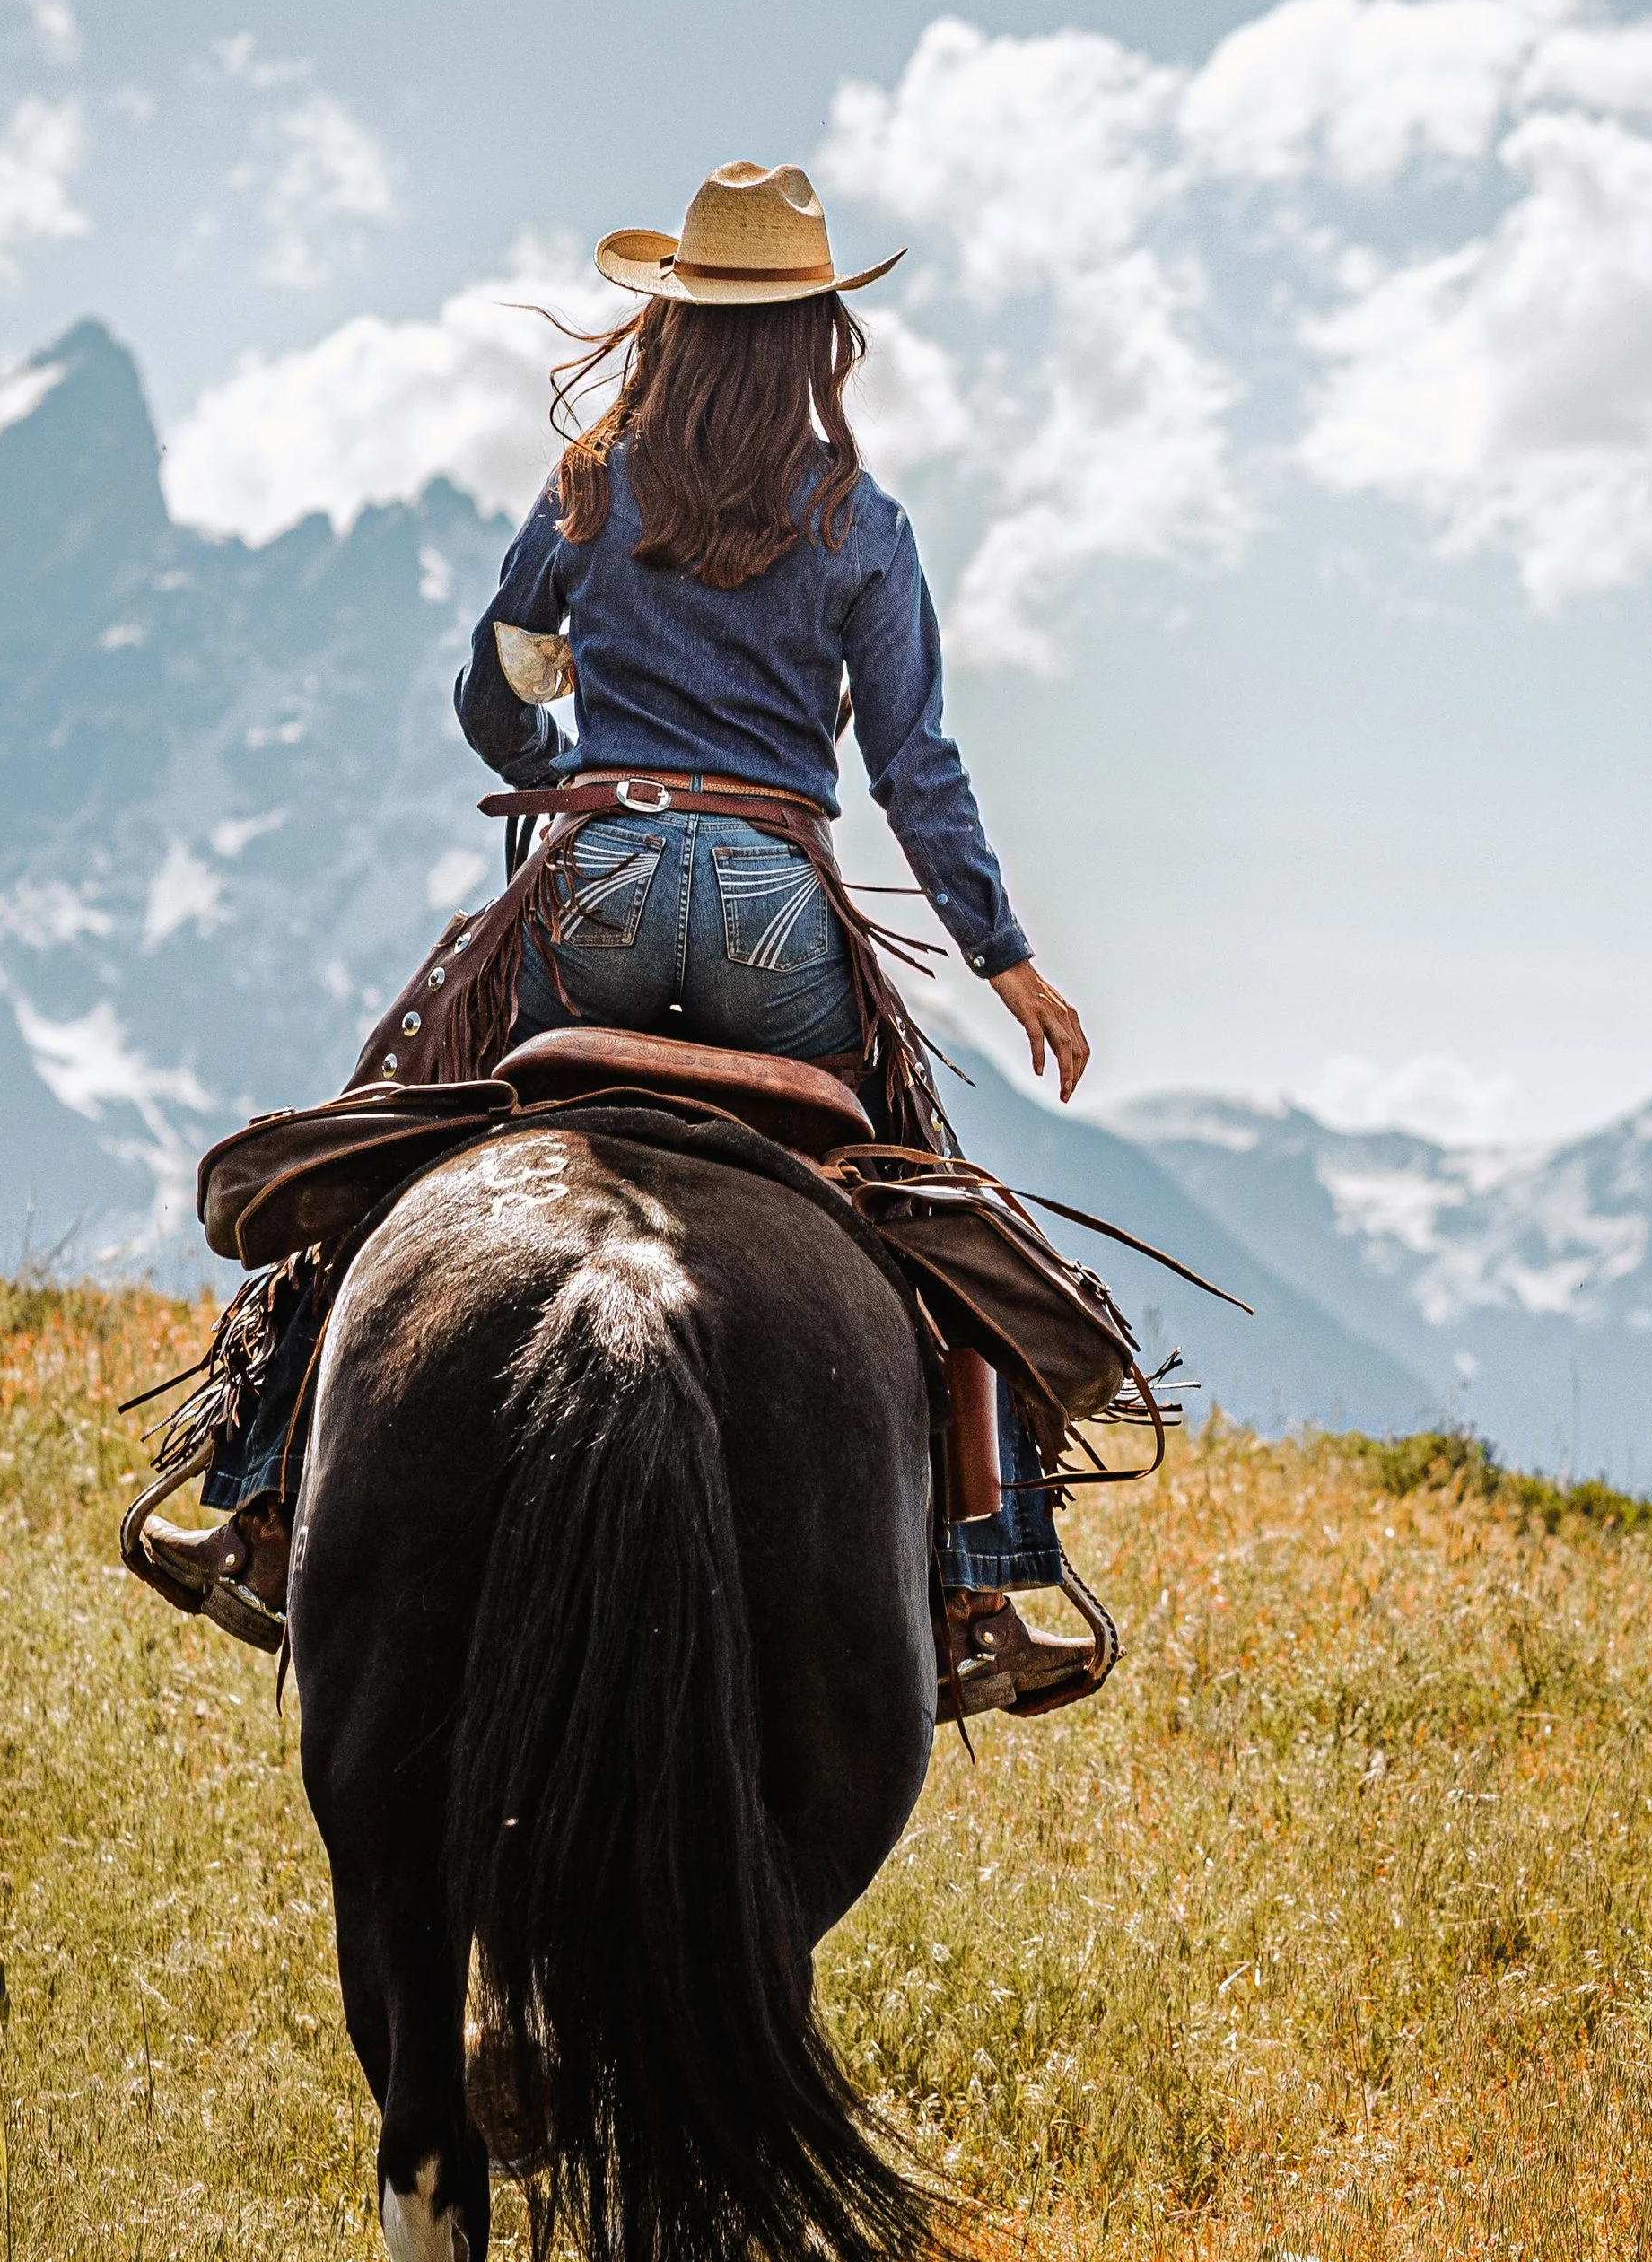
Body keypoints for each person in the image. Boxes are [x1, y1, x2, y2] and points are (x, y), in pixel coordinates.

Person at [153, 159, 1097, 1703]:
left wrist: (553, 786)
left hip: (590, 888)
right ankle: (990, 1583)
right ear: (820, 338)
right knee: (928, 1194)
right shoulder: (864, 523)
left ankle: (257, 1497)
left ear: (669, 318)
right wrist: (1005, 959)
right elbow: (914, 764)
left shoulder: (590, 483)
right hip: (782, 914)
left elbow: (500, 683)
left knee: (399, 1139)